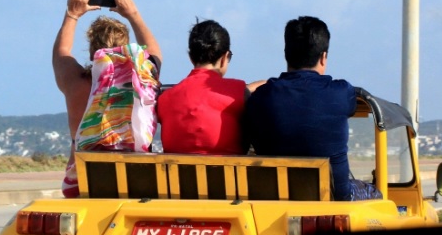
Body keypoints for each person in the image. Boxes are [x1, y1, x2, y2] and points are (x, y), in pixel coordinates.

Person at [244, 16, 381, 201]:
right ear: (323, 57)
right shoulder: (341, 92)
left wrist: (262, 85)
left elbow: (251, 100)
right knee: (374, 192)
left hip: (275, 197)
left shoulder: (262, 97)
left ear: (286, 53)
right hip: (336, 197)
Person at [52, 0, 162, 198]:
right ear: (126, 46)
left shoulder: (76, 82)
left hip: (82, 180)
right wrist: (133, 14)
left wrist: (72, 14)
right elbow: (154, 52)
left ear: (93, 50)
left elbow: (61, 52)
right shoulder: (144, 76)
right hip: (136, 179)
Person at [157, 19, 264, 154]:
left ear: (191, 57)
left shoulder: (164, 99)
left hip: (175, 175)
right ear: (224, 58)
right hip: (229, 175)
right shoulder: (238, 92)